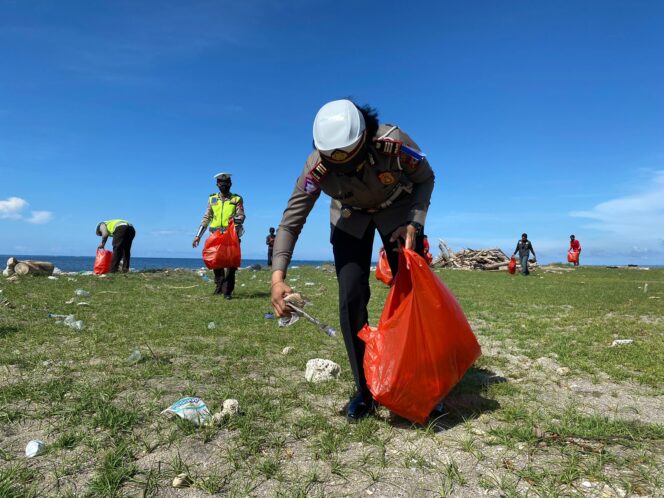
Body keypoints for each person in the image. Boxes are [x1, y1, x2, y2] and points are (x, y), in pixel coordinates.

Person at [270, 99, 435, 422]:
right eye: (333, 159)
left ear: (364, 140)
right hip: (350, 217)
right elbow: (292, 220)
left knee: (413, 293)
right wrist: (277, 277)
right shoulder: (316, 166)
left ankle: (420, 380)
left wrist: (415, 224)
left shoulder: (393, 143)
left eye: (347, 156)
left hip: (396, 213)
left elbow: (425, 178)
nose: (341, 165)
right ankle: (366, 390)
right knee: (351, 297)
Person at [192, 172, 245, 299]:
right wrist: (198, 235)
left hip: (231, 235)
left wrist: (236, 220)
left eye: (226, 183)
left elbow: (242, 216)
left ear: (230, 184)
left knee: (231, 264)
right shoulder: (212, 199)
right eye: (221, 183)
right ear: (217, 185)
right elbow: (207, 217)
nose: (224, 186)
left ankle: (228, 291)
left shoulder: (236, 199)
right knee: (216, 261)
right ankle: (219, 286)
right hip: (215, 234)